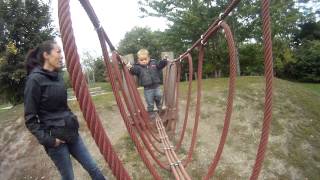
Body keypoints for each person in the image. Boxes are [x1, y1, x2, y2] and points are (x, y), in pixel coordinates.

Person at [24, 40, 106, 180]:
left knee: (93, 167)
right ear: (46, 55)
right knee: (68, 177)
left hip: (71, 133)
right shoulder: (35, 80)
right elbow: (30, 119)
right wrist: (49, 140)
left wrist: (71, 120)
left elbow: (63, 106)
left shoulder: (58, 78)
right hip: (55, 141)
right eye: (58, 51)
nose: (62, 56)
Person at [127, 49, 168, 118]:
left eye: (145, 59)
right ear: (138, 60)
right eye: (141, 60)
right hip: (147, 89)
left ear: (148, 58)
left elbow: (160, 65)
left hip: (156, 86)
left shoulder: (154, 63)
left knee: (159, 96)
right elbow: (133, 71)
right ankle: (151, 112)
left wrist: (164, 60)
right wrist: (130, 67)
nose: (144, 61)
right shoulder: (138, 67)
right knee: (150, 102)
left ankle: (159, 108)